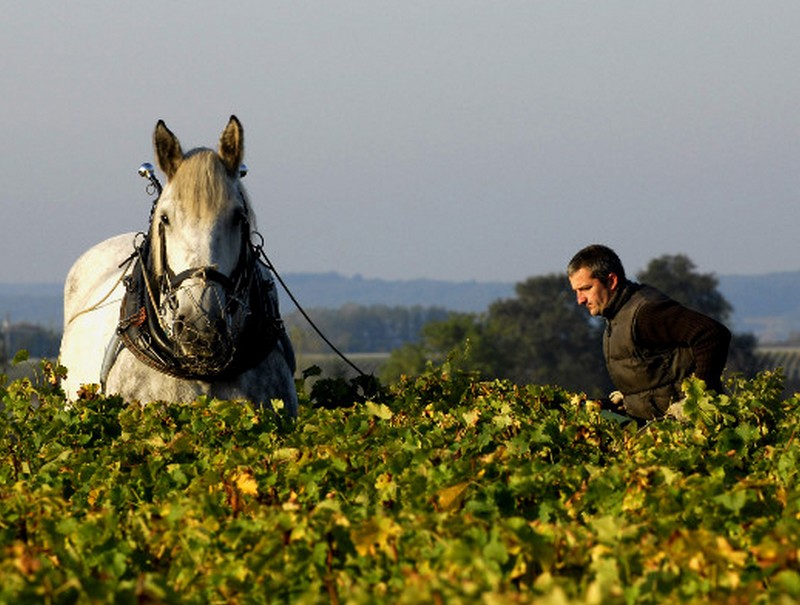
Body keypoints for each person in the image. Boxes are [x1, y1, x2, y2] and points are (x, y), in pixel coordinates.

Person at [567, 244, 731, 421]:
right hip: (657, 431)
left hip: (686, 431)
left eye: (585, 288)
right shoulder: (617, 316)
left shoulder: (646, 312)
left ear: (611, 281)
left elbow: (711, 334)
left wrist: (697, 399)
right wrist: (626, 399)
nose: (580, 300)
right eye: (576, 291)